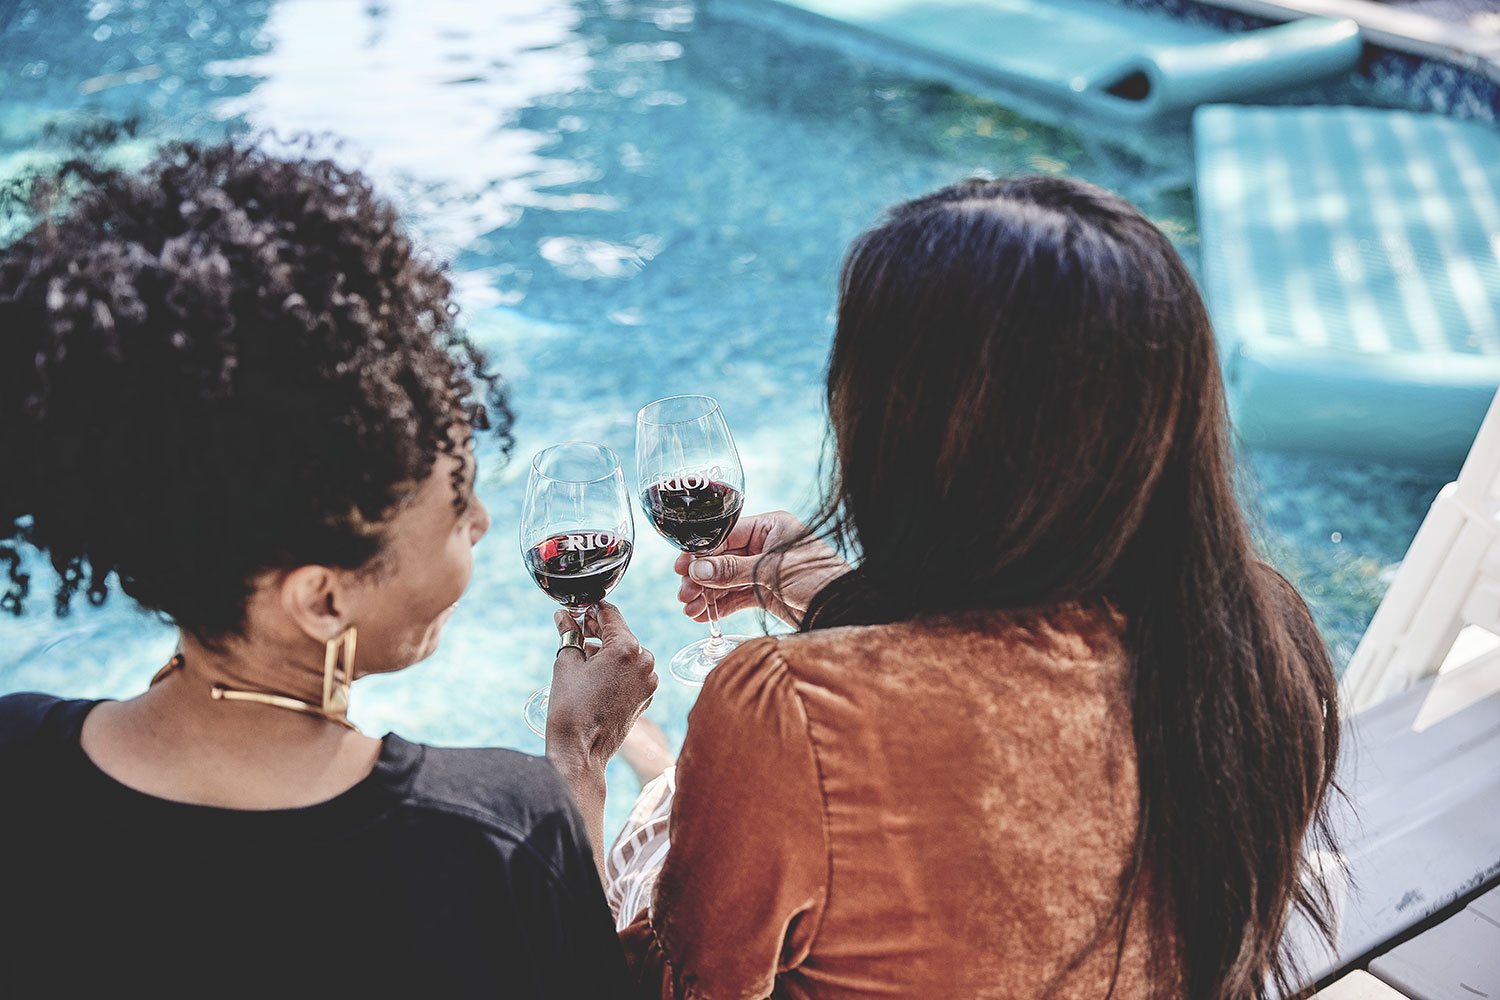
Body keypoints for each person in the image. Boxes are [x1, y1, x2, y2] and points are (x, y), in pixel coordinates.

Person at [561, 175, 1342, 1000]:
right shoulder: (1258, 636)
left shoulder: (785, 712)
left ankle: (647, 764)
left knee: (656, 822)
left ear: (902, 432)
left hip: (743, 826)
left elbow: (655, 991)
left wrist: (575, 762)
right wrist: (839, 600)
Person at [0, 141, 656, 998]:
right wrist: (576, 761)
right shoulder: (495, 831)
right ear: (321, 597)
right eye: (457, 508)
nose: (485, 523)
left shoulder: (17, 759)